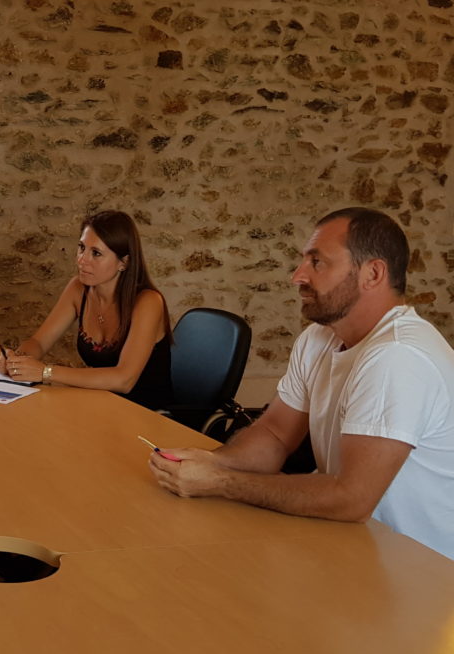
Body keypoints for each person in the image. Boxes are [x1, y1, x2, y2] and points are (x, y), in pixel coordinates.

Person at [149, 207, 454, 560]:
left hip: (423, 575)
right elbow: (276, 435)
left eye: (317, 262)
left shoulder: (398, 355)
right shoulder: (319, 339)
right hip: (353, 547)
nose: (298, 276)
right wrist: (208, 464)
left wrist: (221, 483)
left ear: (373, 273)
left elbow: (351, 498)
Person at [0, 210, 173, 410]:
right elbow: (38, 342)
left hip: (148, 416)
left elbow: (124, 380)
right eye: (81, 248)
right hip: (102, 405)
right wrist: (17, 360)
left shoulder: (148, 302)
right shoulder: (78, 289)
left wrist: (45, 372)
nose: (82, 260)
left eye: (96, 253)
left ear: (123, 262)